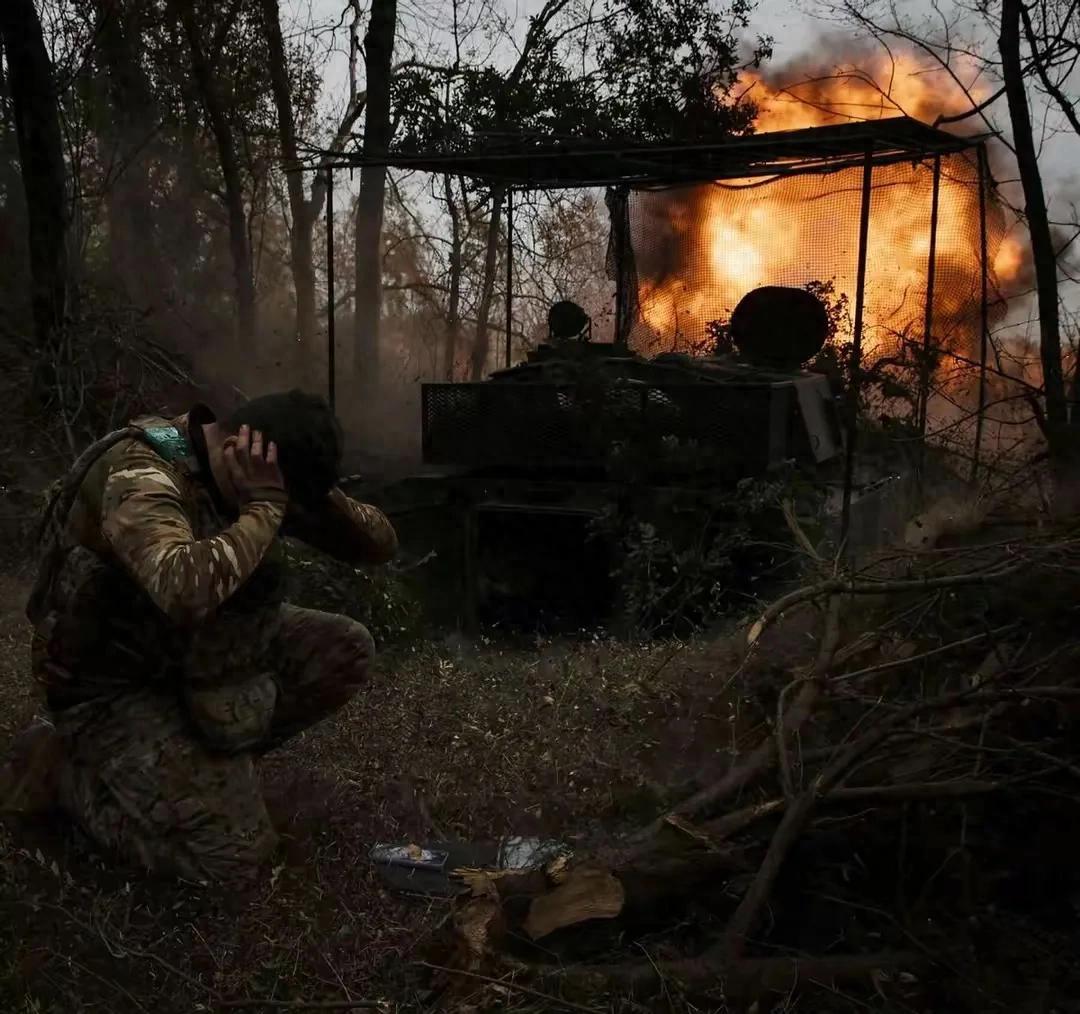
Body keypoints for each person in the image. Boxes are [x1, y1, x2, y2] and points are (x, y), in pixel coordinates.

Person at [8, 391, 397, 884]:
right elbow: (182, 587)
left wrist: (310, 497)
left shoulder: (258, 471)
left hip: (190, 658)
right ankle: (61, 771)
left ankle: (196, 770)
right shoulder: (140, 475)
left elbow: (380, 544)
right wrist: (263, 511)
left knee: (345, 646)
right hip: (110, 685)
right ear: (237, 447)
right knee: (233, 862)